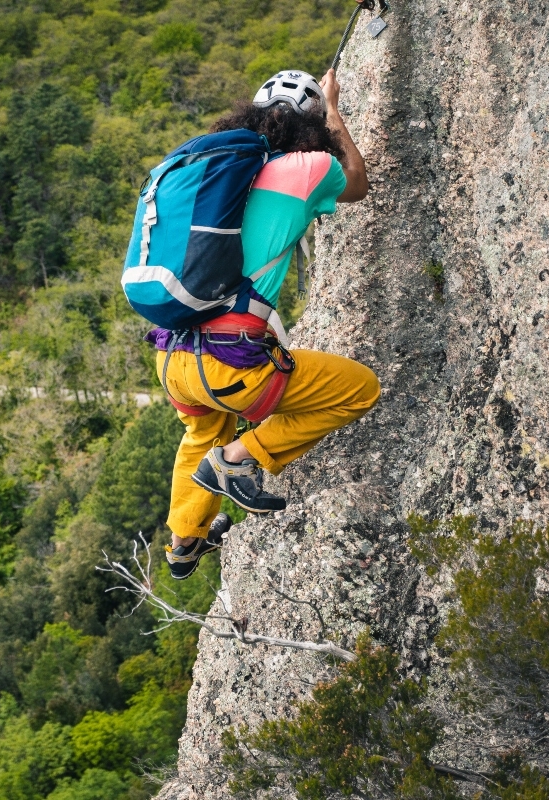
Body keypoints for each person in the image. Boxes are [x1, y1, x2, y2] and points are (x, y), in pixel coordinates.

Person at [151, 69, 380, 579]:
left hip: (174, 359)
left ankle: (184, 539)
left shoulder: (217, 180)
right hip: (231, 366)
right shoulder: (308, 168)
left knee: (199, 434)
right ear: (311, 127)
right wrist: (334, 109)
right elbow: (359, 182)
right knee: (360, 389)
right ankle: (240, 457)